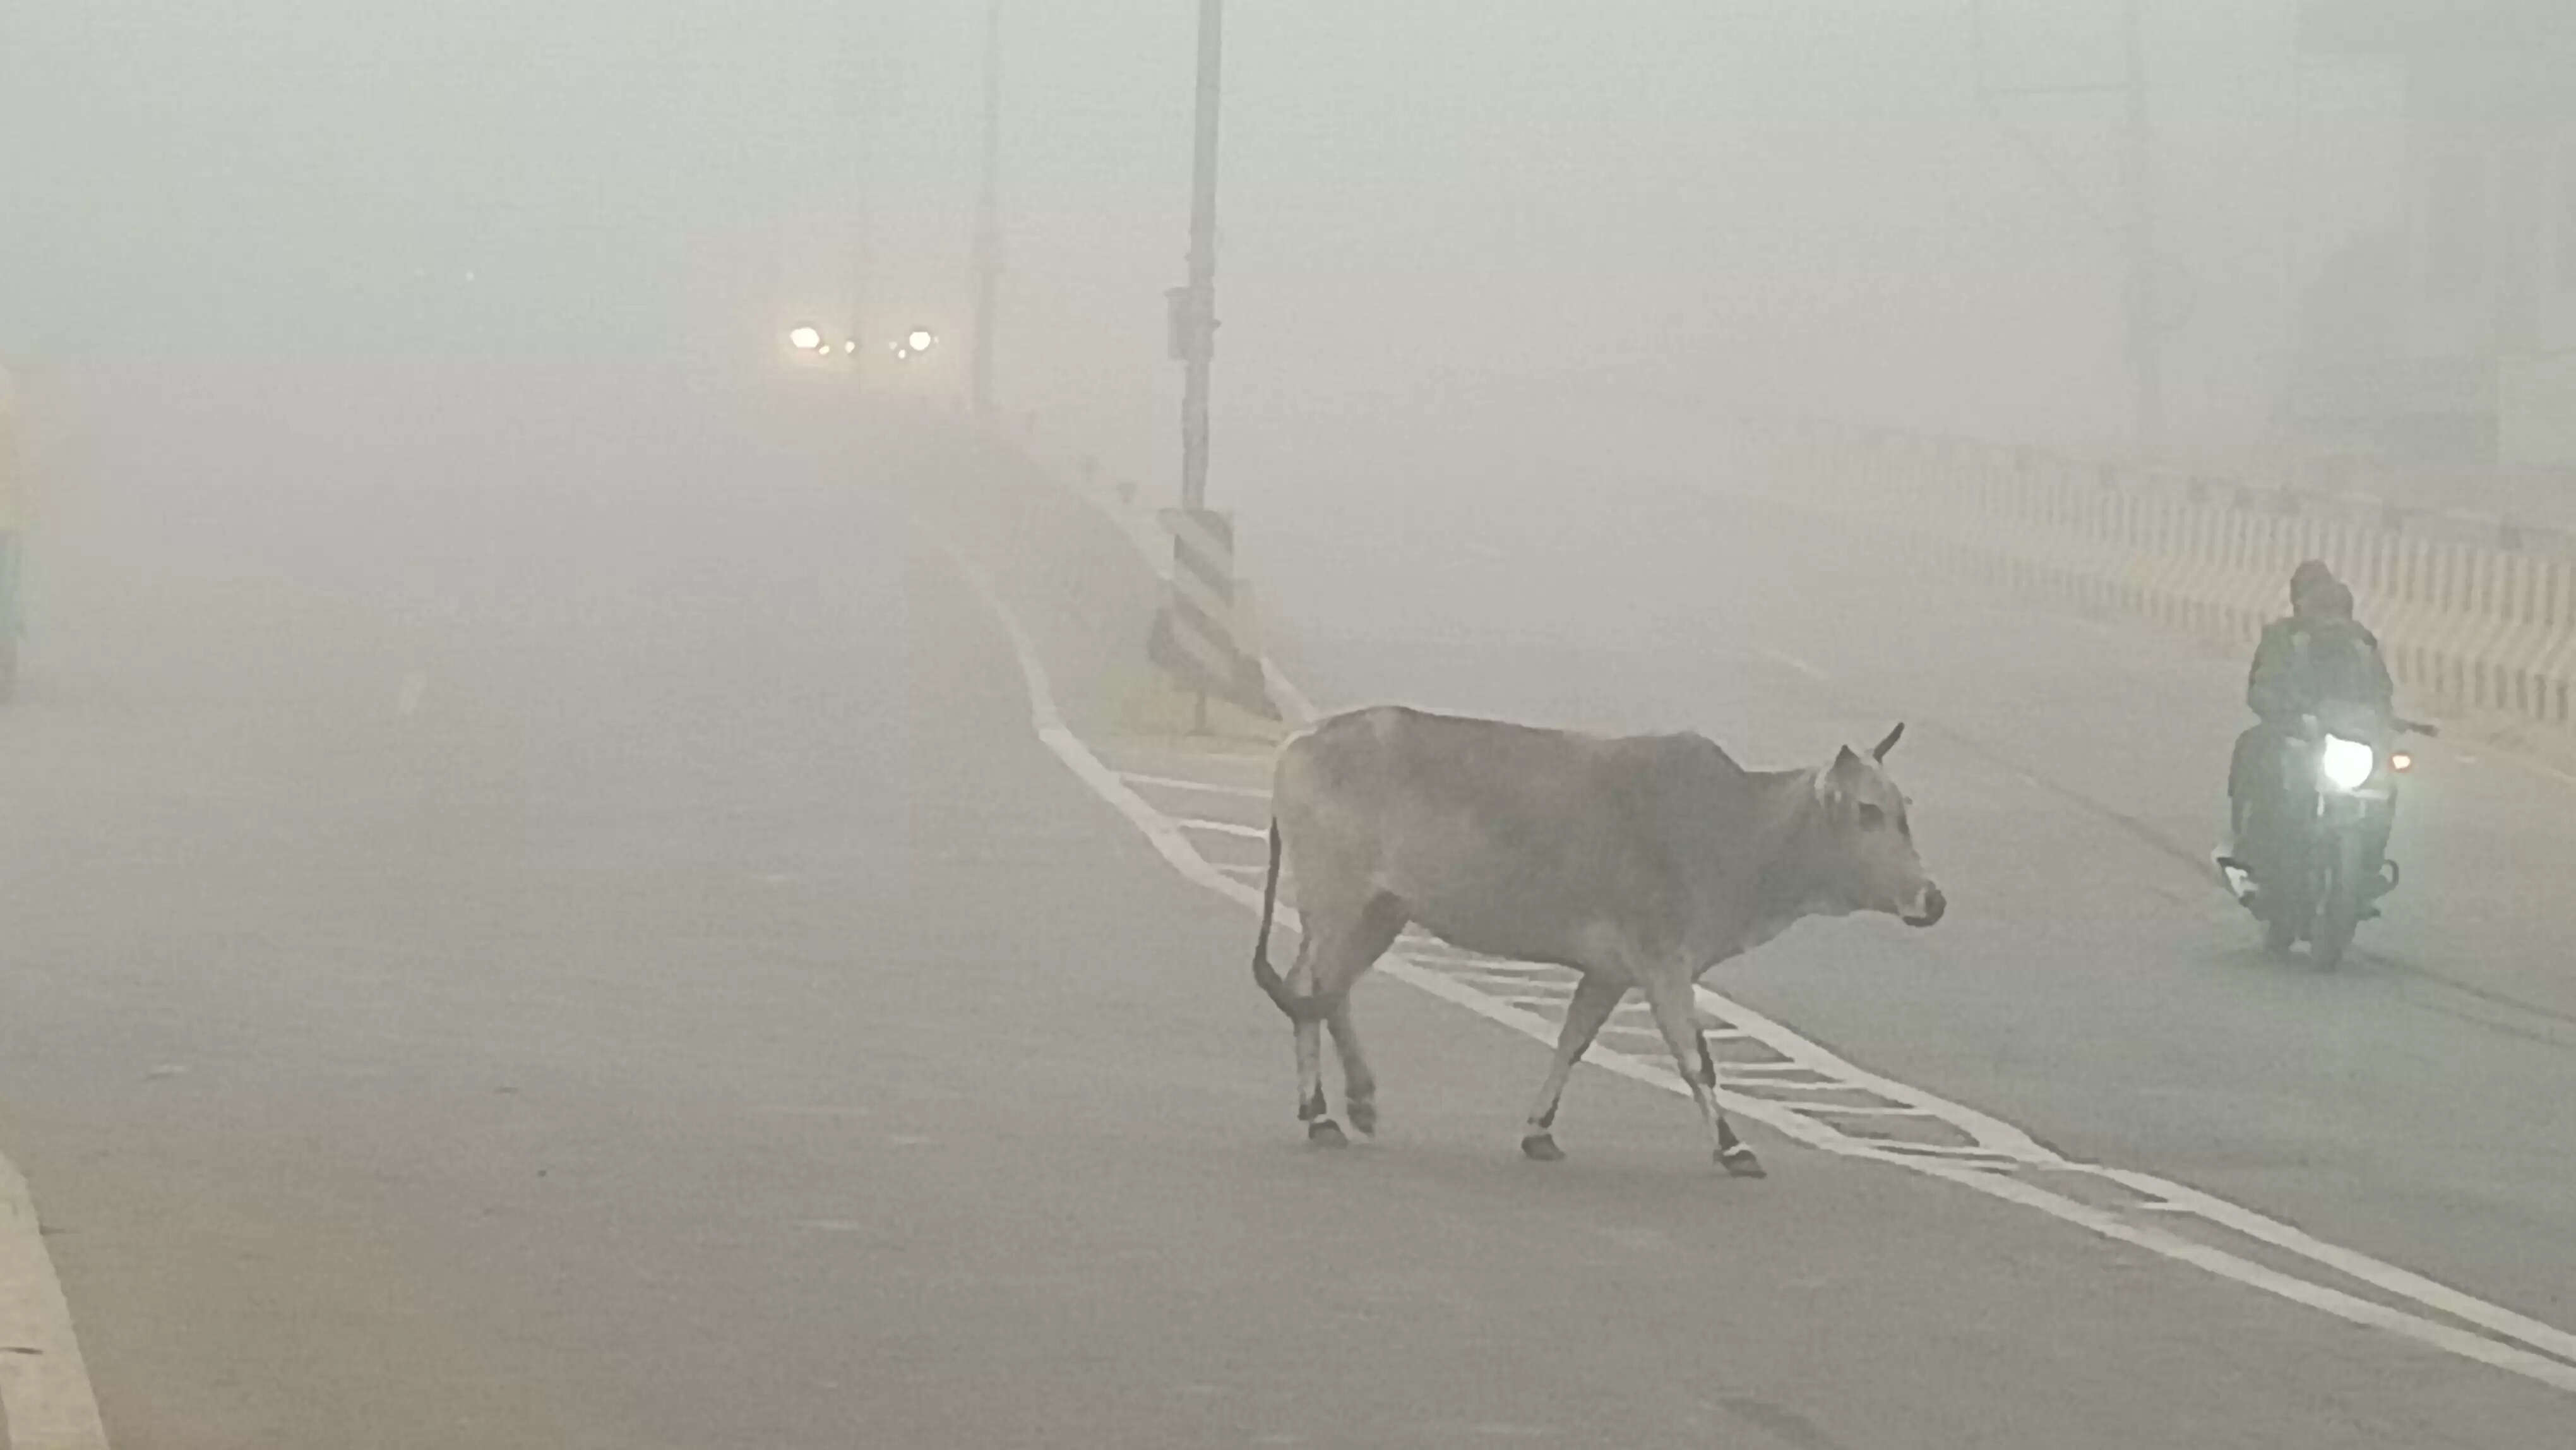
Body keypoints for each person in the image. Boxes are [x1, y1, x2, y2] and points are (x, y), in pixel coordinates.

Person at [2219, 562, 2394, 885]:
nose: (2328, 616)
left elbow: (2380, 689)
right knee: (2255, 754)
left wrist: (2385, 721)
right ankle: (2249, 845)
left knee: (2388, 784)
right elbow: (2261, 684)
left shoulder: (2360, 643)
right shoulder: (2283, 638)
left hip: (2345, 738)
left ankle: (2372, 863)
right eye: (2320, 605)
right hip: (2297, 733)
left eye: (2334, 607)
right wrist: (2282, 710)